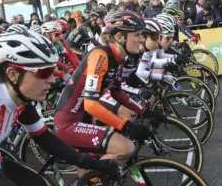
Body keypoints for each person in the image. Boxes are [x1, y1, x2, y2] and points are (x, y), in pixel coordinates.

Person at [0, 31, 119, 185]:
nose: (53, 79)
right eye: (44, 72)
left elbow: (46, 139)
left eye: (53, 71)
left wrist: (94, 164)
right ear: (13, 73)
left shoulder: (19, 101)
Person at [54, 11, 161, 171]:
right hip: (69, 123)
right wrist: (125, 125)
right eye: (138, 34)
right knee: (126, 147)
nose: (141, 39)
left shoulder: (119, 58)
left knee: (88, 171)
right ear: (120, 37)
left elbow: (117, 92)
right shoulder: (101, 55)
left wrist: (144, 111)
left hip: (83, 120)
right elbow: (90, 104)